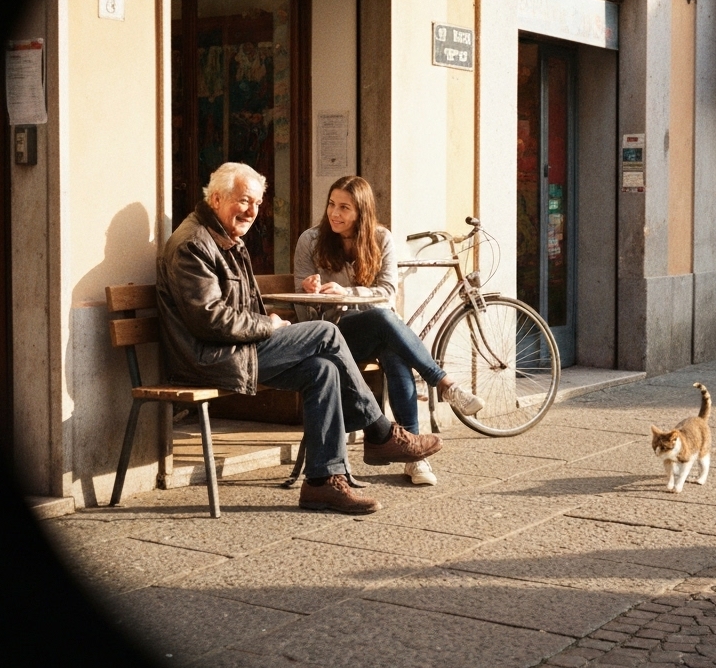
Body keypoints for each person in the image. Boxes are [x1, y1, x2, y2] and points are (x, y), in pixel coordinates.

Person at [156, 162, 442, 514]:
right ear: (216, 198)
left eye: (258, 203)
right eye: (244, 201)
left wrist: (270, 323)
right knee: (326, 331)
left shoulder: (227, 237)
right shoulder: (193, 244)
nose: (252, 211)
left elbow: (234, 310)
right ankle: (381, 432)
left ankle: (323, 482)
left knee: (322, 369)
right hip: (208, 358)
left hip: (237, 349)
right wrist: (270, 326)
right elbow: (209, 320)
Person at [294, 176, 483, 487]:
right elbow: (301, 308)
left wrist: (349, 292)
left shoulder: (381, 239)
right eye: (331, 204)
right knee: (383, 321)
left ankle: (414, 457)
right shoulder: (311, 240)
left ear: (362, 212)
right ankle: (442, 384)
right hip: (332, 336)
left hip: (375, 330)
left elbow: (387, 292)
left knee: (393, 351)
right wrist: (309, 289)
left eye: (345, 207)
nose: (334, 213)